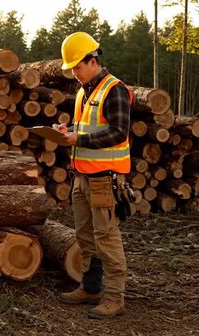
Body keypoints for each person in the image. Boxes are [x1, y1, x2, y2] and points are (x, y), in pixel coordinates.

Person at [53, 31, 133, 319]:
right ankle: (91, 287)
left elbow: (117, 133)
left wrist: (79, 140)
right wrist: (69, 133)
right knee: (85, 236)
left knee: (107, 237)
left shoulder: (115, 90)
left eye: (77, 66)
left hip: (105, 178)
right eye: (72, 68)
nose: (74, 73)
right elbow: (88, 129)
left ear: (92, 60)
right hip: (82, 177)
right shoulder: (83, 92)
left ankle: (114, 297)